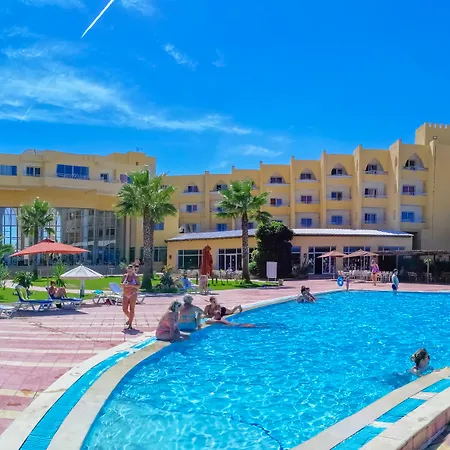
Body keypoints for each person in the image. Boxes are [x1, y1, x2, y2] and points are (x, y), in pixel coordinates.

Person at [121, 264, 140, 330]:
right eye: (128, 270)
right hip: (125, 294)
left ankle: (130, 324)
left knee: (132, 308)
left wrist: (131, 285)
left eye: (131, 270)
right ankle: (130, 319)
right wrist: (123, 285)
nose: (129, 272)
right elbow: (121, 284)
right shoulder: (124, 276)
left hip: (133, 294)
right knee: (124, 309)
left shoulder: (136, 277)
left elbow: (138, 286)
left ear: (133, 270)